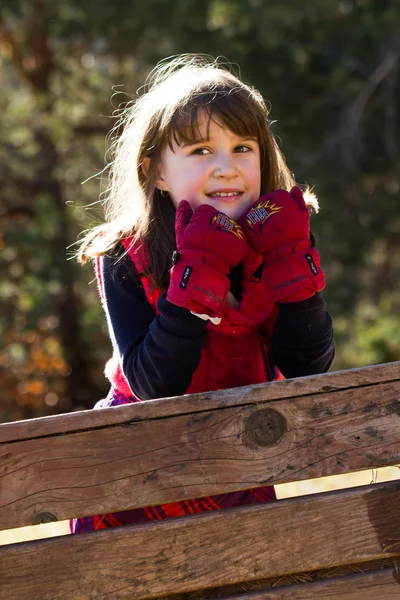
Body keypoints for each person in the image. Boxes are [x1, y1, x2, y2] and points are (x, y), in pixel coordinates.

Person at [71, 55, 335, 533]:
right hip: (135, 473)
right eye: (199, 151)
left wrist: (295, 274)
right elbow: (153, 386)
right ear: (156, 173)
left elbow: (309, 369)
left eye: (242, 148)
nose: (226, 168)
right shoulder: (125, 252)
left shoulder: (282, 238)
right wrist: (198, 276)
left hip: (243, 461)